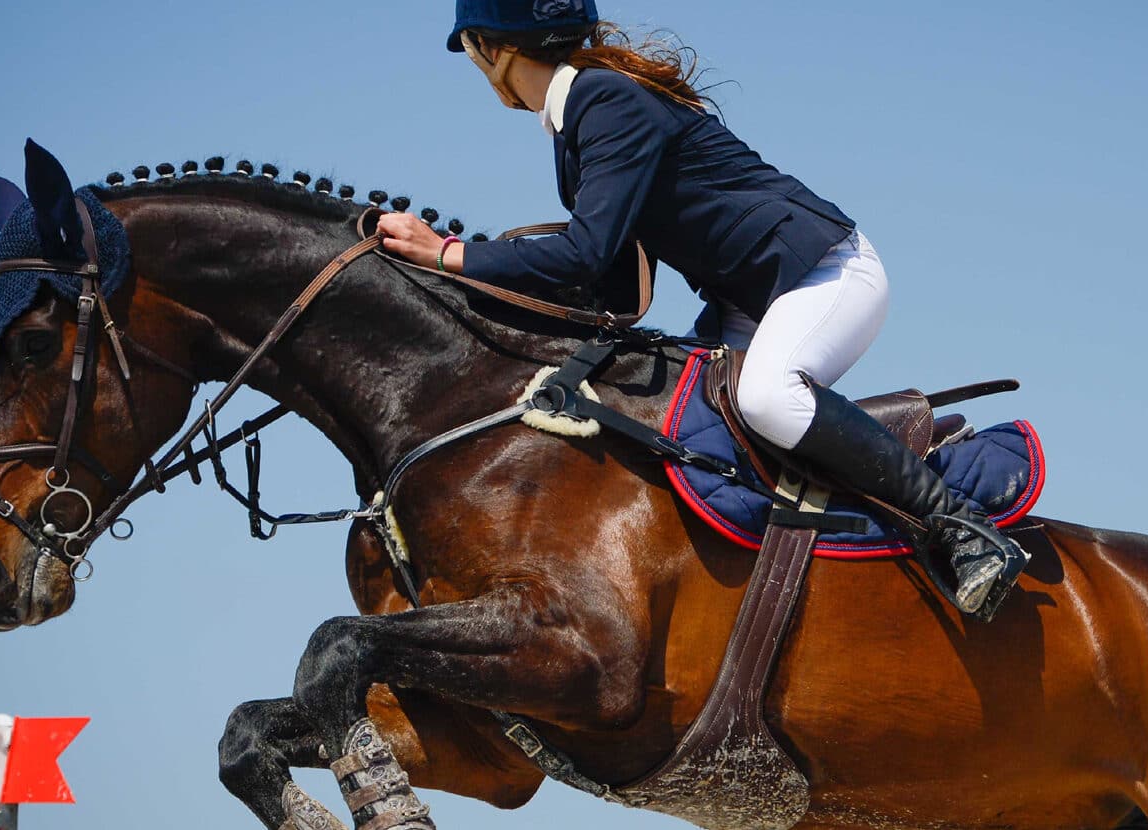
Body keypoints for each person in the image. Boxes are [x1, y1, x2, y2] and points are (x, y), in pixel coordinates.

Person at [376, 0, 1028, 617]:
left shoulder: (604, 101)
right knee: (669, 422)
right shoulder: (581, 114)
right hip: (748, 301)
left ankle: (958, 526)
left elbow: (580, 254)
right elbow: (617, 283)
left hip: (824, 274)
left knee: (768, 398)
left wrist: (448, 256)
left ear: (491, 50)